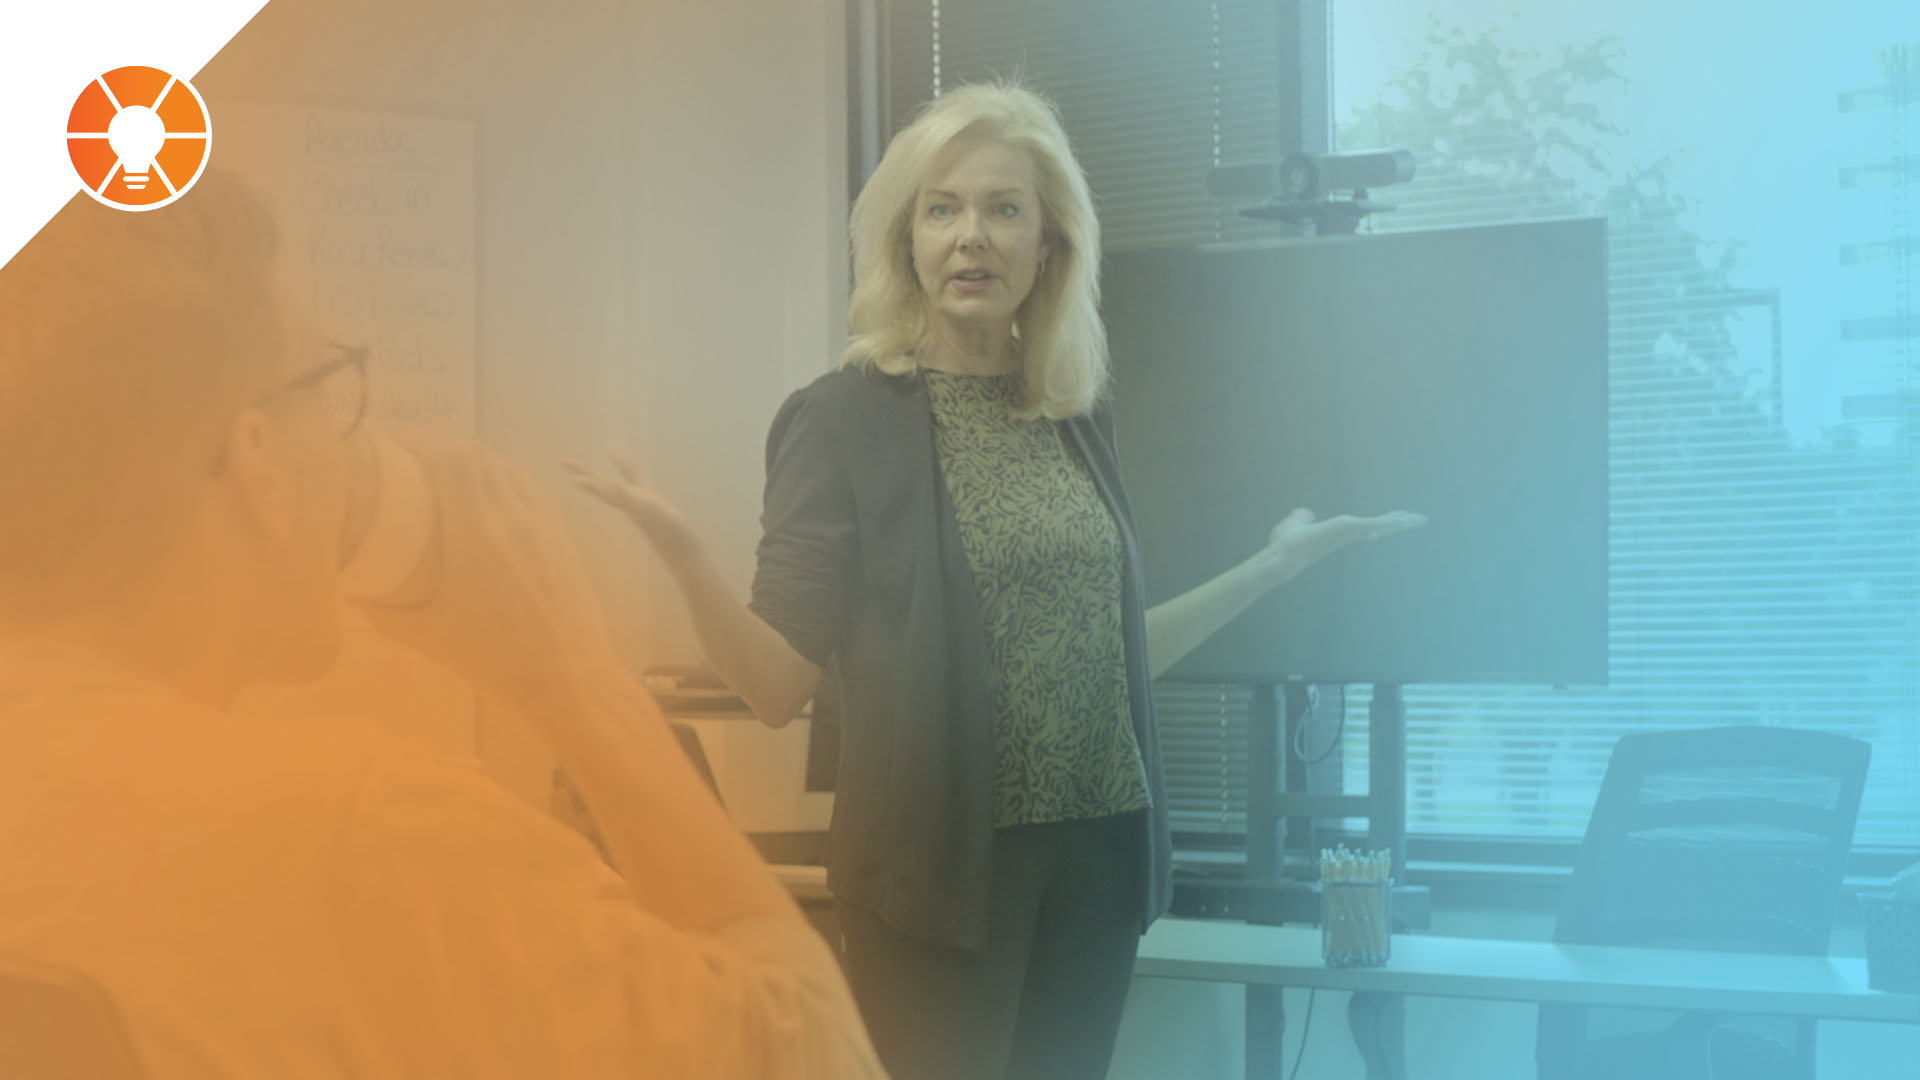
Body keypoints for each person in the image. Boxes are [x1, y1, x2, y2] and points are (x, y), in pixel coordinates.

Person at [567, 82, 1423, 1080]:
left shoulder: (1072, 412)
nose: (970, 236)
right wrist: (683, 556)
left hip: (1099, 861)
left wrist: (1272, 570)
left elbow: (1110, 656)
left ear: (1049, 244)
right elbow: (772, 689)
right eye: (943, 208)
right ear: (907, 239)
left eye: (1003, 209)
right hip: (939, 876)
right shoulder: (843, 419)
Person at [0, 173, 885, 1079]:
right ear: (256, 458)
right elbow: (818, 1056)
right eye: (329, 388)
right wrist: (574, 680)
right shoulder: (367, 844)